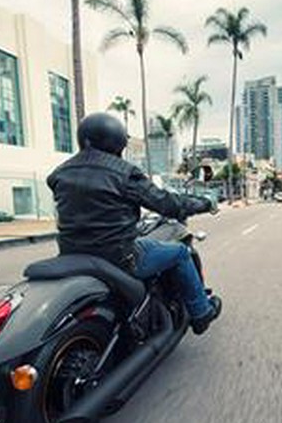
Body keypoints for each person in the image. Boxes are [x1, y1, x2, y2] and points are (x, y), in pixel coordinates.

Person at [47, 113, 222, 335]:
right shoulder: (123, 172)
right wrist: (205, 204)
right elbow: (166, 203)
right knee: (180, 252)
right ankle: (201, 313)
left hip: (71, 255)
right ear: (118, 141)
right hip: (120, 257)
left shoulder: (61, 173)